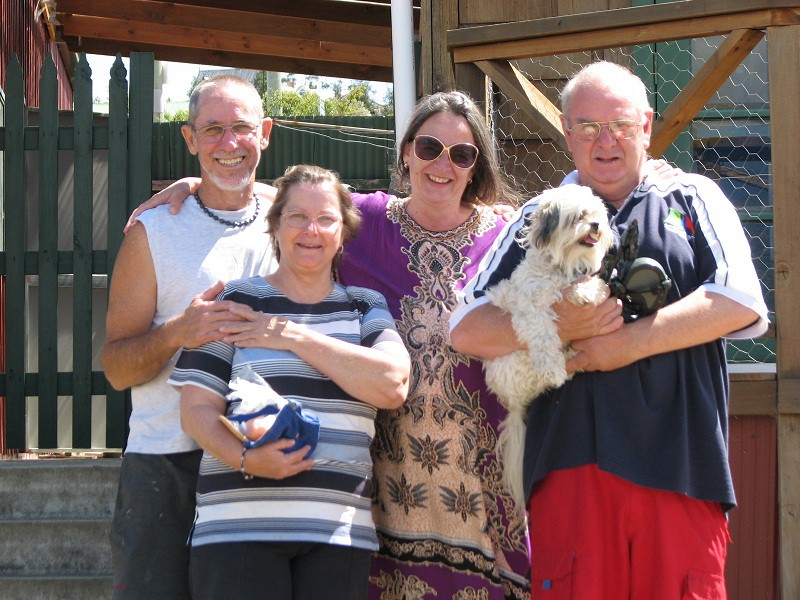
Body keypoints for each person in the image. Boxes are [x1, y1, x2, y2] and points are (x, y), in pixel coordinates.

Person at [450, 61, 769, 600]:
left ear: (646, 125)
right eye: (588, 126)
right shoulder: (540, 215)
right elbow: (465, 327)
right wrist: (558, 322)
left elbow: (739, 301)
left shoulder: (694, 196)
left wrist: (623, 346)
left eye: (620, 124)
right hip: (571, 464)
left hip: (682, 463)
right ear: (566, 131)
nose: (606, 141)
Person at [169, 164, 411, 600]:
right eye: (297, 216)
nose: (311, 230)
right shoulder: (237, 301)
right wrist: (247, 459)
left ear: (343, 232)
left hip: (338, 534)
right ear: (276, 225)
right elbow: (196, 410)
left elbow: (392, 385)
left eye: (326, 218)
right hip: (237, 531)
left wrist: (290, 335)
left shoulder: (364, 307)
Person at [101, 74, 285, 599]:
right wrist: (178, 333)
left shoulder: (296, 225)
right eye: (213, 130)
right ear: (190, 139)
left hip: (264, 453)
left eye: (242, 128)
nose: (229, 143)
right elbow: (116, 369)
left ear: (265, 133)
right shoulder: (154, 233)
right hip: (166, 464)